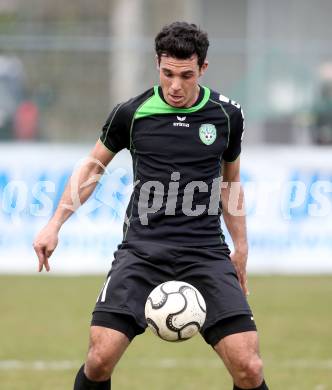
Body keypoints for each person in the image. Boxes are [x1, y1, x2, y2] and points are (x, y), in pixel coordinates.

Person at [33, 22, 269, 390]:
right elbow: (92, 169)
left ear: (203, 69)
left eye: (186, 75)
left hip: (205, 252)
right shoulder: (131, 113)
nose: (175, 85)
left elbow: (230, 183)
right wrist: (54, 224)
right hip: (142, 251)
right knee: (99, 359)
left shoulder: (226, 116)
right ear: (157, 64)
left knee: (249, 367)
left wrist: (241, 247)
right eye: (167, 73)